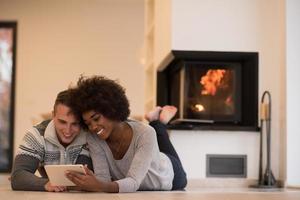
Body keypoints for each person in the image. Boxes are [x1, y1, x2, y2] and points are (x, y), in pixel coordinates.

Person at [65, 75, 187, 193]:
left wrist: (99, 185)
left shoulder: (145, 133)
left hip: (169, 174)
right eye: (88, 123)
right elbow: (103, 180)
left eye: (96, 119)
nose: (93, 127)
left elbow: (133, 182)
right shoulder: (93, 137)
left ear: (111, 109)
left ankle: (158, 121)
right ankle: (156, 120)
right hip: (150, 154)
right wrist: (93, 181)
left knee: (155, 136)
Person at [10, 90, 93, 192]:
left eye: (75, 124)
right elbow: (18, 177)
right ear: (53, 115)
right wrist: (46, 184)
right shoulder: (36, 135)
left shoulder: (89, 136)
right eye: (62, 122)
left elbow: (83, 180)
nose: (68, 131)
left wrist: (32, 181)